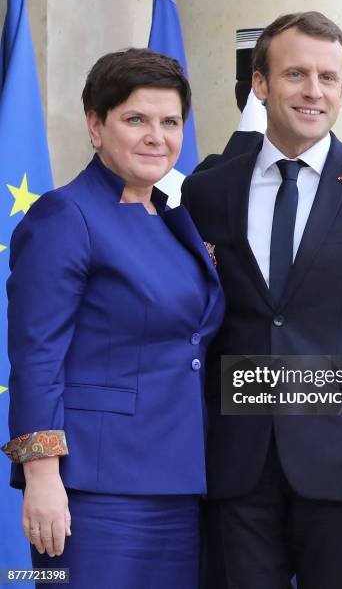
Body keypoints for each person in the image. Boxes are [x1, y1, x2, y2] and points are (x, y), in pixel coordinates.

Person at [181, 12, 342, 589]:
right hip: (233, 468)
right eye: (296, 73)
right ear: (261, 84)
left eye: (330, 77)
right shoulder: (207, 189)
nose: (314, 91)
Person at [1, 48, 224, 589]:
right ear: (96, 127)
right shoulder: (64, 215)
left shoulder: (173, 216)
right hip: (93, 492)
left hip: (177, 484)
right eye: (136, 120)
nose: (157, 136)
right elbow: (36, 357)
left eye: (170, 122)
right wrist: (42, 474)